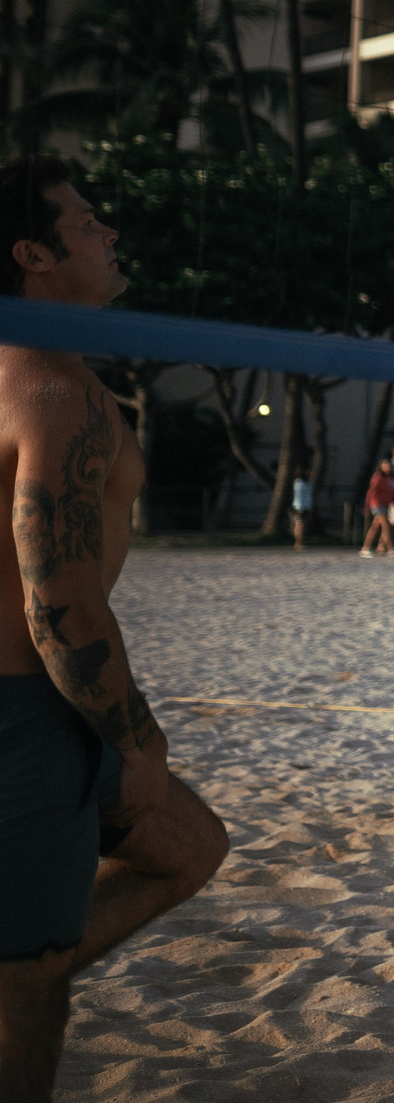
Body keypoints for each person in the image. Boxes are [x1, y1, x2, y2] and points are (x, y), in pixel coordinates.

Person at [0, 155, 228, 1098]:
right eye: (87, 221)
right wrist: (136, 736)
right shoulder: (59, 394)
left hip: (38, 714)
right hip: (32, 715)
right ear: (33, 255)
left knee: (192, 847)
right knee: (29, 1019)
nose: (110, 232)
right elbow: (58, 598)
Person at [358, 461, 394, 557]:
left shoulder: (389, 479)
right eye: (385, 466)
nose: (388, 468)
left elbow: (393, 494)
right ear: (381, 467)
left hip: (385, 506)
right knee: (386, 527)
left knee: (374, 528)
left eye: (389, 466)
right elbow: (371, 492)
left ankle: (365, 548)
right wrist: (367, 506)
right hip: (377, 505)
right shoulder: (378, 477)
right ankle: (391, 549)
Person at [289, 468, 315, 552]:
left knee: (302, 525)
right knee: (299, 525)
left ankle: (299, 543)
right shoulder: (299, 483)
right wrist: (300, 508)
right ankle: (298, 544)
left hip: (305, 506)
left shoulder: (306, 482)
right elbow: (299, 496)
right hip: (300, 506)